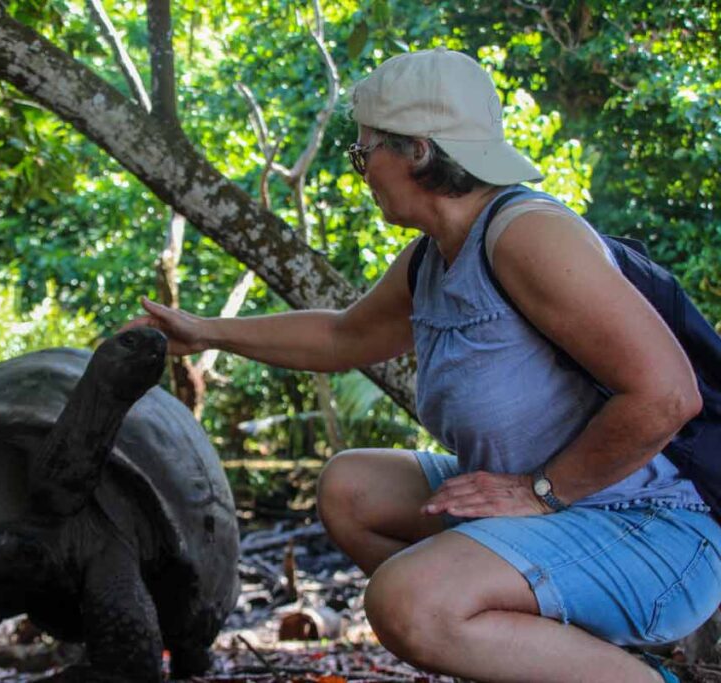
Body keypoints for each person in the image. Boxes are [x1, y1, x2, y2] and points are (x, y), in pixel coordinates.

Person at [120, 47, 721, 682]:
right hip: (557, 509)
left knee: (407, 603)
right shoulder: (434, 256)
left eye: (363, 153)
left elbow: (665, 395)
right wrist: (205, 332)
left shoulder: (528, 235)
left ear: (418, 152)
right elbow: (341, 336)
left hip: (654, 530)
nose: (361, 172)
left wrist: (539, 492)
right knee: (352, 490)